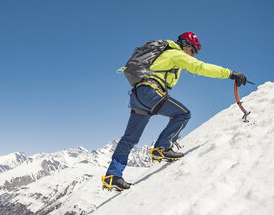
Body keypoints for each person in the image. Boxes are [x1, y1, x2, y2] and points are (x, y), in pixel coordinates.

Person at [102, 32, 247, 192]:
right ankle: (161, 149)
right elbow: (200, 67)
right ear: (185, 45)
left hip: (138, 95)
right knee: (183, 114)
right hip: (151, 92)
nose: (193, 55)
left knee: (130, 138)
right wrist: (231, 74)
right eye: (193, 51)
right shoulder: (175, 53)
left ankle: (113, 176)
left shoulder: (166, 55)